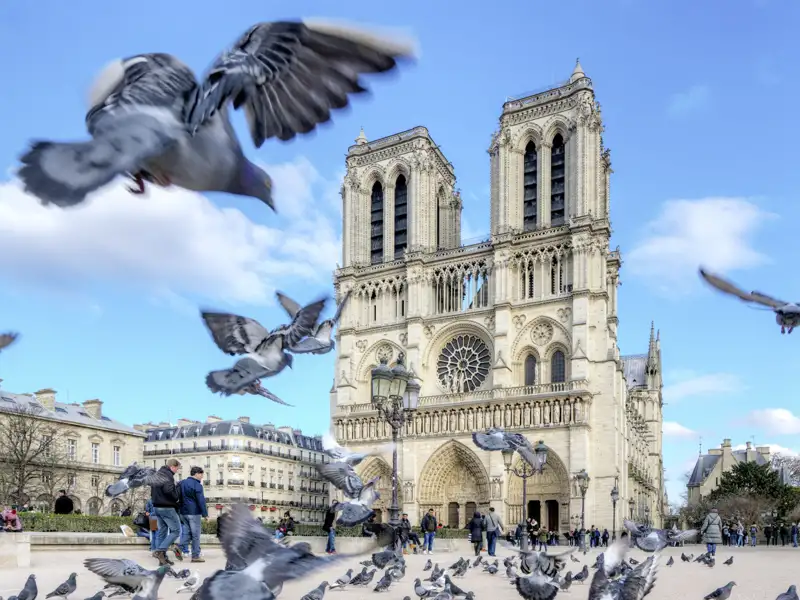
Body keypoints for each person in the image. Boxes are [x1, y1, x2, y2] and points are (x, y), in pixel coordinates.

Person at [151, 458, 183, 566]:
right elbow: (168, 490)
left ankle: (162, 559)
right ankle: (160, 551)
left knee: (162, 532)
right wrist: (176, 498)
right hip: (166, 507)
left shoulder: (157, 474)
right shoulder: (168, 475)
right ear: (172, 466)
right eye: (177, 468)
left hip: (156, 506)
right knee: (176, 531)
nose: (177, 471)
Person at [179, 466, 207, 563]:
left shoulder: (181, 483)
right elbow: (201, 501)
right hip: (194, 512)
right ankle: (195, 556)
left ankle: (179, 547)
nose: (202, 477)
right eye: (201, 474)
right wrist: (205, 514)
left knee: (187, 532)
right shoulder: (197, 485)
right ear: (196, 474)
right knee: (195, 535)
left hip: (183, 512)